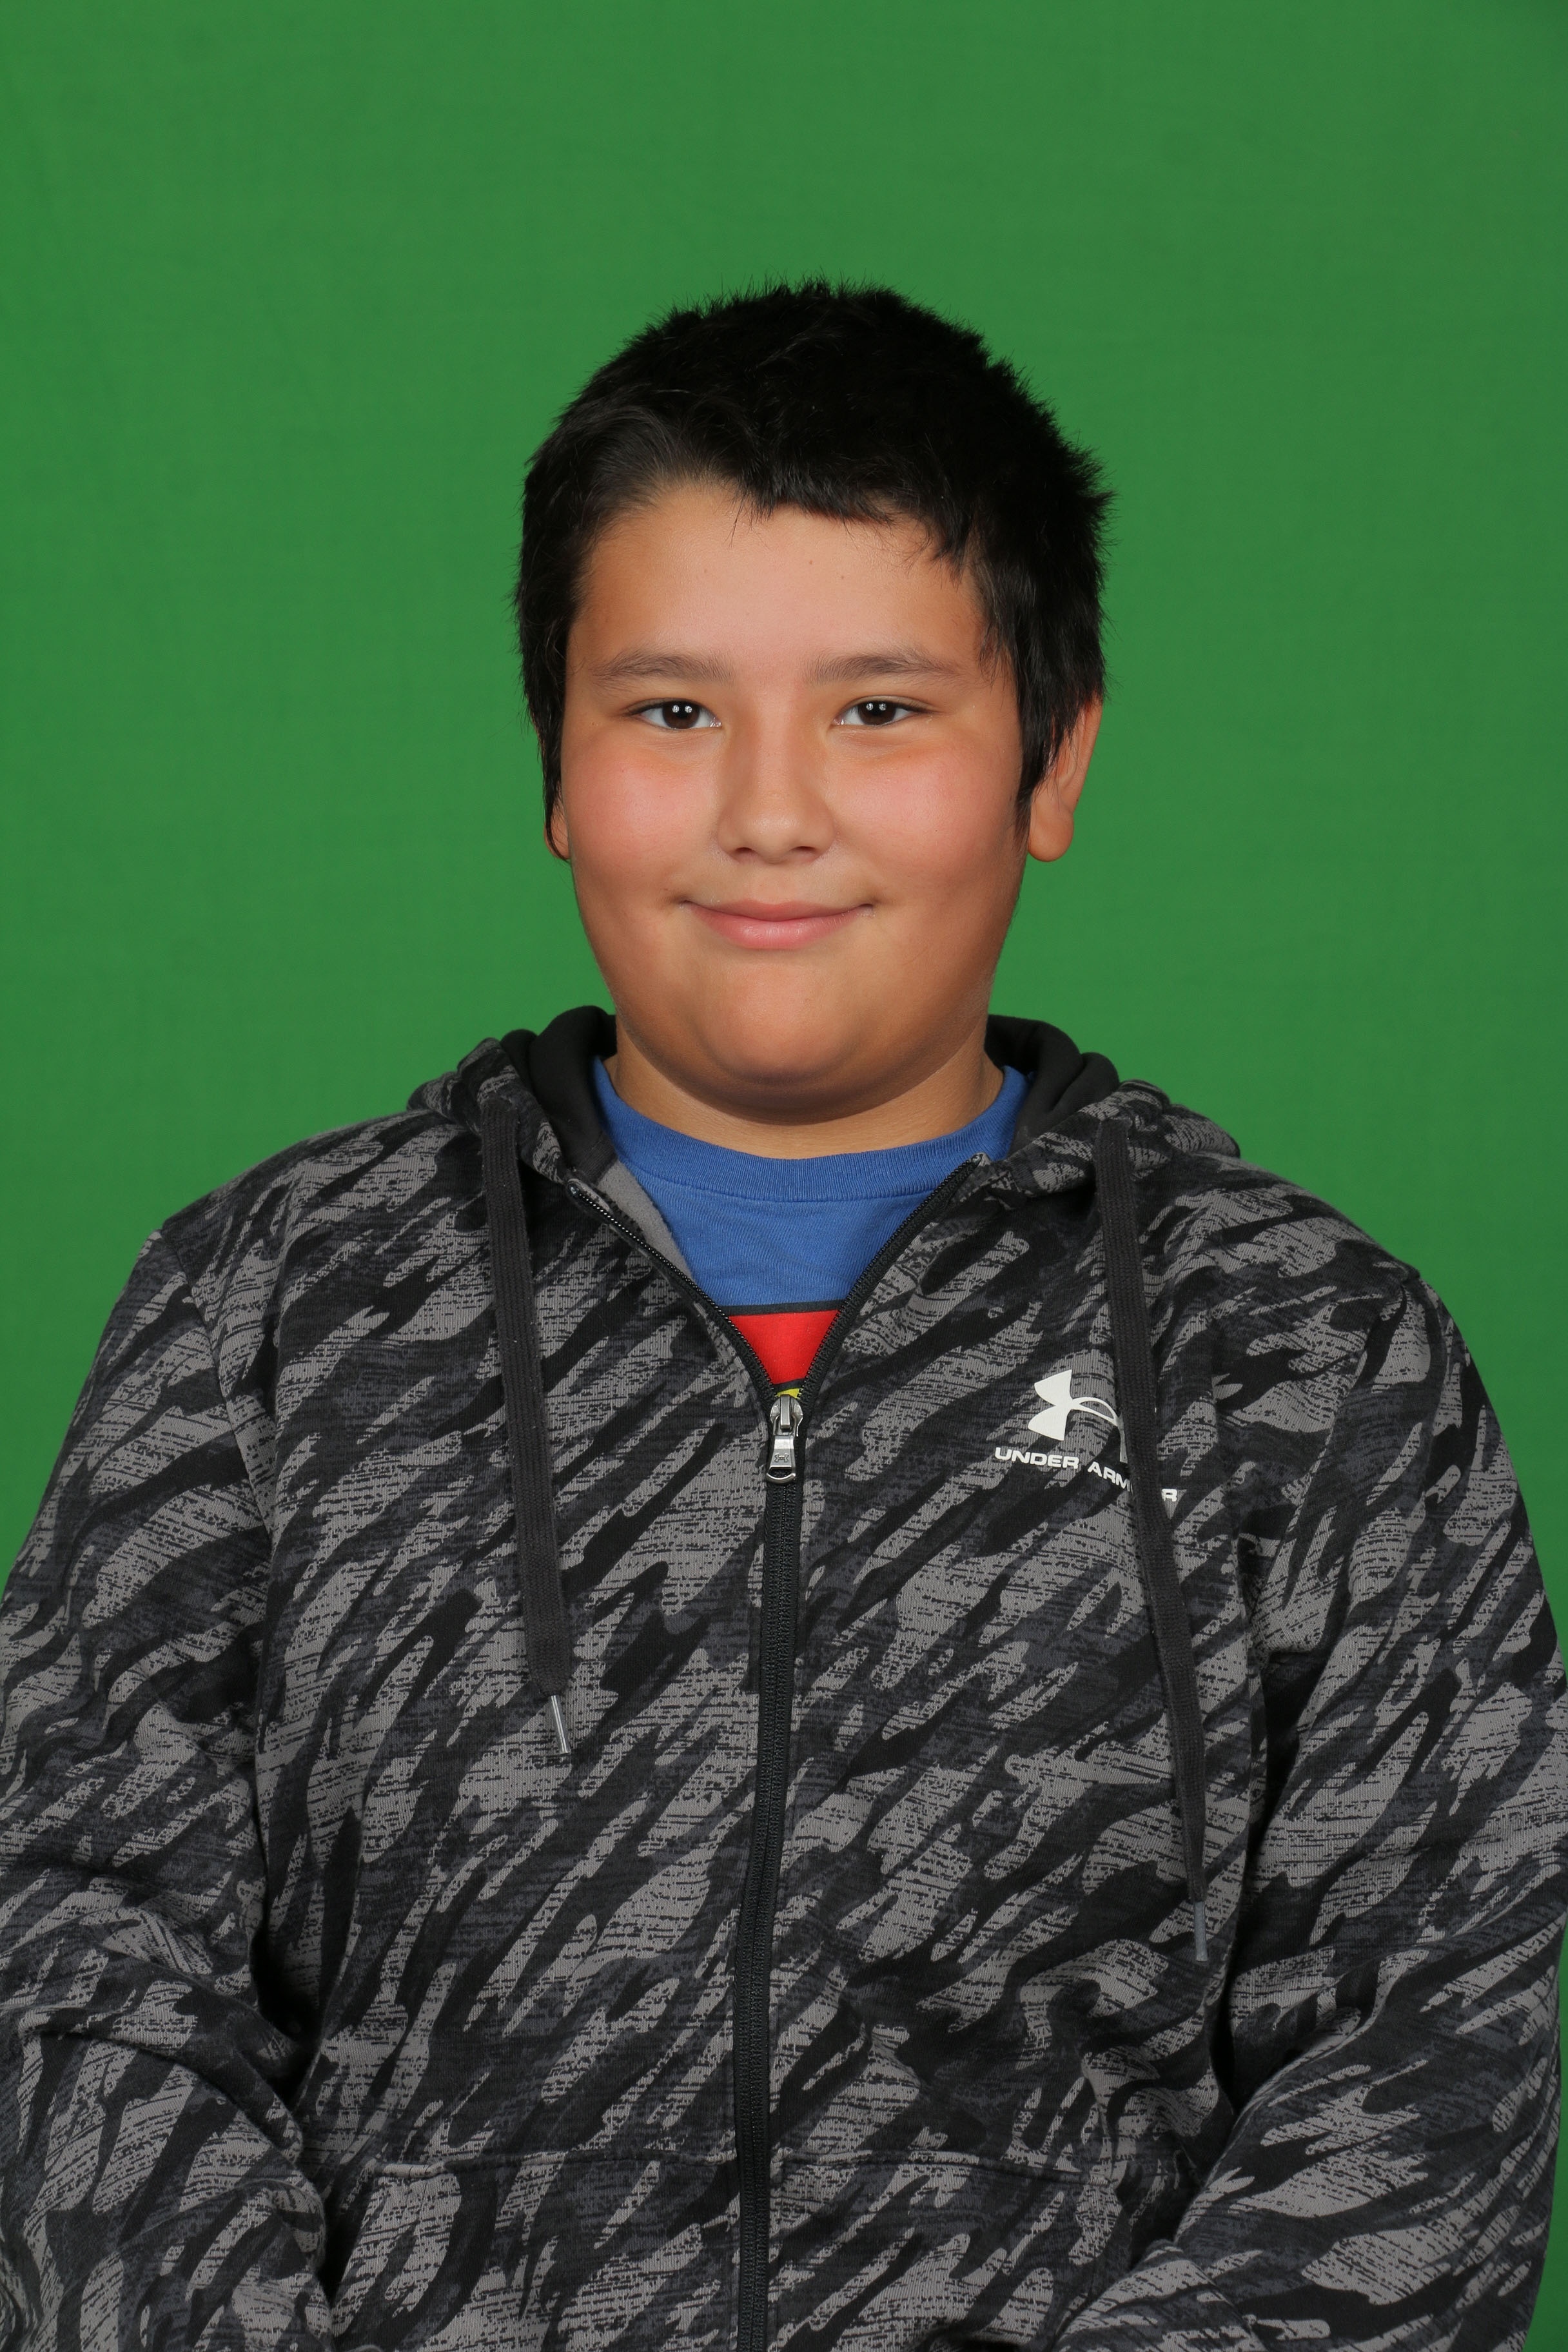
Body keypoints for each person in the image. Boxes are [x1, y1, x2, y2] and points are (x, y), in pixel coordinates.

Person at [0, 282, 1563, 2352]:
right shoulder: (264, 1319)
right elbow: (75, 1979)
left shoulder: (1308, 1358)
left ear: (1054, 760)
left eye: (880, 711)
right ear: (556, 765)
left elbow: (1433, 2073)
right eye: (671, 712)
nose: (769, 810)